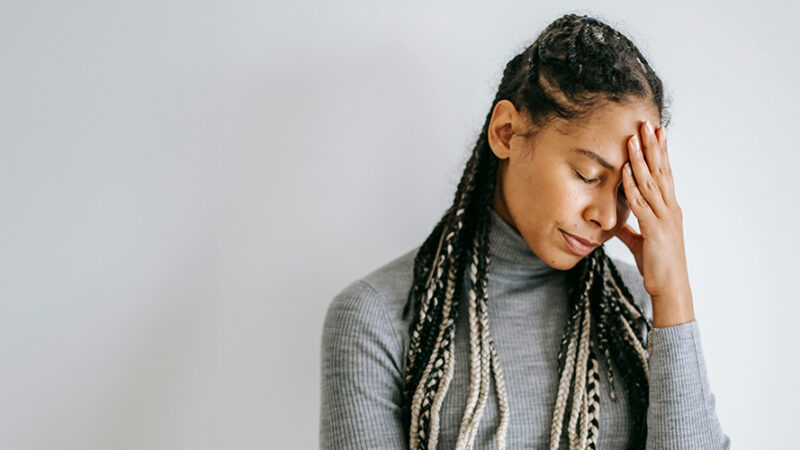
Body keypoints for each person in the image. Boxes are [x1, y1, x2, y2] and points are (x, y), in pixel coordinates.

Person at [319, 13, 731, 450]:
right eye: (588, 174)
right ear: (507, 133)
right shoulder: (379, 318)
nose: (608, 217)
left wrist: (674, 294)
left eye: (628, 191)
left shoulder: (640, 307)